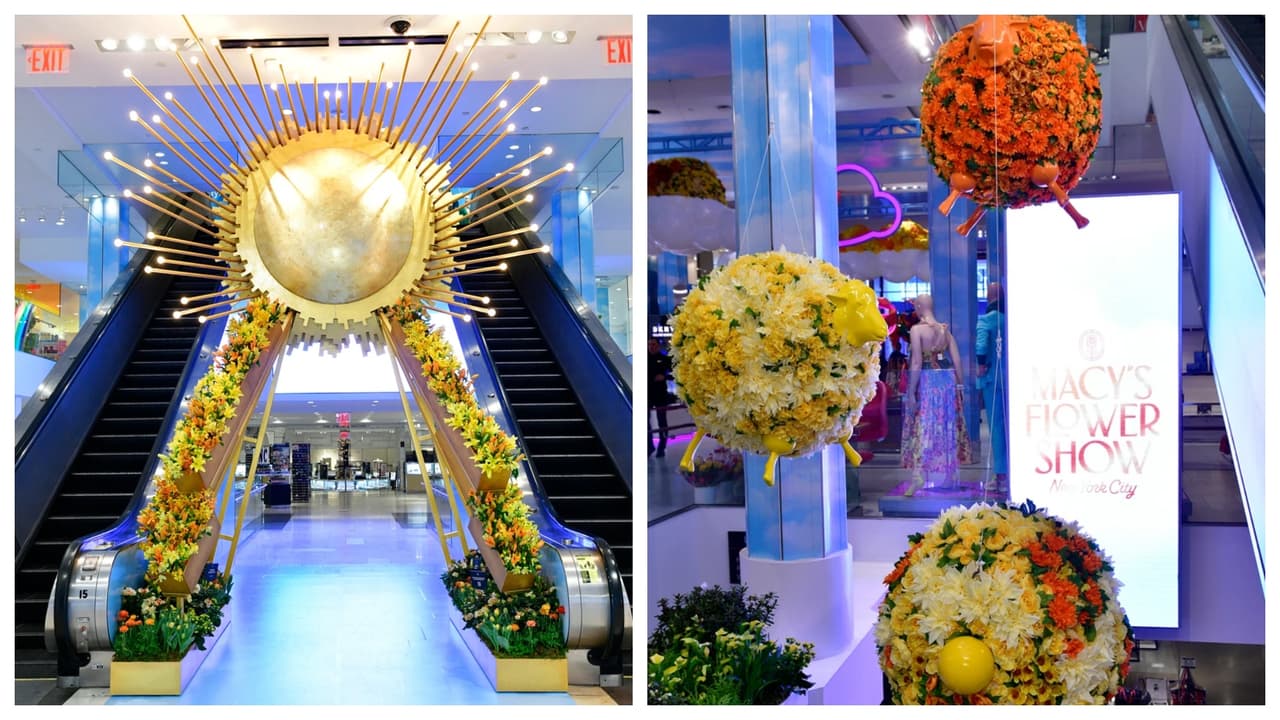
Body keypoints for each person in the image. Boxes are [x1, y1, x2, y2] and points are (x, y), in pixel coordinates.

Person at [900, 294, 973, 495]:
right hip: (947, 380)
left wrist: (912, 391)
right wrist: (960, 386)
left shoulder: (917, 330)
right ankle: (950, 476)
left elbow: (916, 361)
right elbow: (957, 361)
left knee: (924, 425)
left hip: (928, 381)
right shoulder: (945, 331)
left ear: (918, 306)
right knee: (947, 424)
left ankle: (918, 474)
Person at [976, 282, 1008, 492]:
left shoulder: (986, 320)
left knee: (996, 427)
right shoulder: (1010, 319)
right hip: (1011, 377)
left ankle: (1001, 476)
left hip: (992, 378)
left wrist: (980, 365)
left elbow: (981, 345)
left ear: (989, 297)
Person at [648, 338, 673, 457]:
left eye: (653, 344)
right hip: (647, 395)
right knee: (645, 422)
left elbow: (674, 373)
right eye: (649, 344)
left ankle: (662, 446)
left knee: (662, 421)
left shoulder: (664, 359)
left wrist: (664, 376)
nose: (651, 347)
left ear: (658, 345)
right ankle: (649, 446)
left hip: (661, 394)